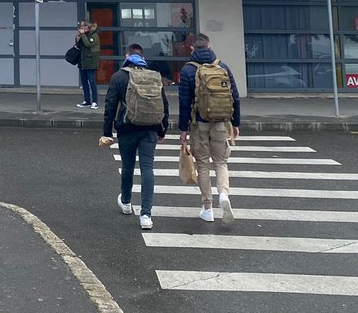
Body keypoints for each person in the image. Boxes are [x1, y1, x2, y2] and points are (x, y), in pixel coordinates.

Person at [100, 44, 168, 231]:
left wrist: (107, 132)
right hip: (150, 129)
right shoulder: (154, 76)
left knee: (128, 165)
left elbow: (110, 106)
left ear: (127, 56)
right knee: (147, 168)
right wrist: (163, 130)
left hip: (127, 128)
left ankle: (126, 201)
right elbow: (164, 105)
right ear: (142, 57)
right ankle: (146, 215)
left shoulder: (119, 77)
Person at [178, 32, 241, 224]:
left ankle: (207, 208)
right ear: (210, 46)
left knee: (203, 165)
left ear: (192, 49)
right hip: (222, 122)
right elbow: (235, 96)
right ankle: (224, 195)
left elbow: (184, 102)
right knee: (221, 163)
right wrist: (236, 123)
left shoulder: (188, 70)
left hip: (199, 124)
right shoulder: (223, 67)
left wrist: (183, 129)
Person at [75, 19, 101, 109]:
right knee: (84, 83)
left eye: (83, 26)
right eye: (81, 26)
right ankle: (87, 100)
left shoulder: (94, 35)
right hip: (83, 62)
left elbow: (88, 44)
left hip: (91, 62)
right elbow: (79, 45)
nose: (81, 28)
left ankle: (95, 101)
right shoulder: (84, 35)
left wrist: (82, 35)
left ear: (87, 27)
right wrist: (78, 37)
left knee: (92, 82)